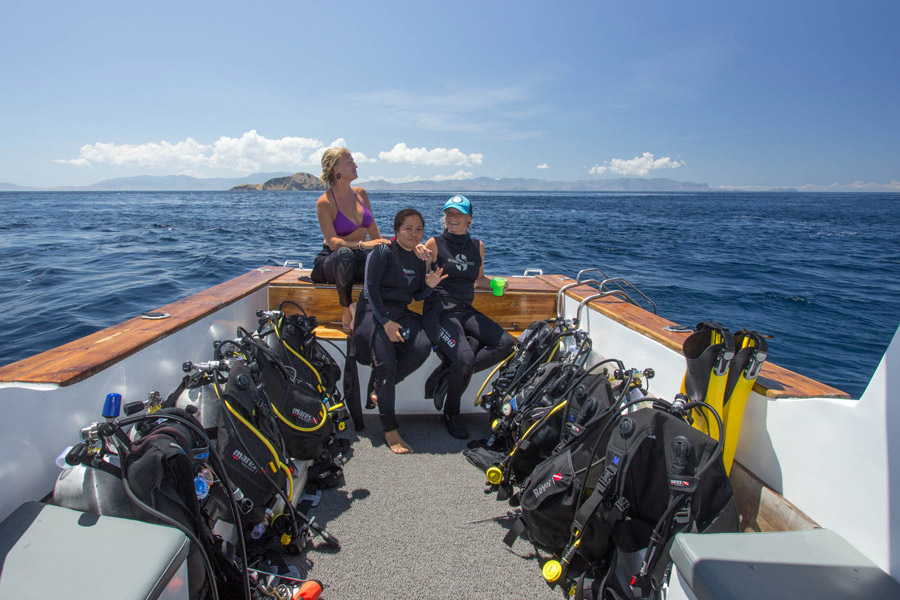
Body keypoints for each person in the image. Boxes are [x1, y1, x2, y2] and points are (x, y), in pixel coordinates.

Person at [351, 208, 446, 454]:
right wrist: (385, 322)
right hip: (373, 311)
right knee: (386, 363)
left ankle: (379, 387)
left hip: (399, 312)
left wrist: (429, 286)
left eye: (419, 230)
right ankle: (390, 430)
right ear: (397, 230)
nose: (414, 234)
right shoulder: (383, 251)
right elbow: (370, 289)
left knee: (423, 345)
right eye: (408, 229)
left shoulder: (419, 258)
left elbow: (415, 295)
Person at [423, 195, 515, 440]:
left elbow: (479, 279)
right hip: (440, 311)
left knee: (506, 343)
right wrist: (422, 268)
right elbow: (419, 279)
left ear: (469, 219)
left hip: (465, 309)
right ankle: (452, 412)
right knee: (464, 358)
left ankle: (448, 374)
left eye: (459, 213)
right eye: (449, 213)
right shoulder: (434, 243)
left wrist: (496, 284)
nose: (452, 218)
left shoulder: (477, 246)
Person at [311, 147, 390, 331]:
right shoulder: (324, 202)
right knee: (345, 254)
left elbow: (373, 230)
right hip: (333, 261)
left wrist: (381, 250)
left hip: (358, 258)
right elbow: (333, 242)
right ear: (336, 168)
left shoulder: (361, 193)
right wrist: (363, 245)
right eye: (350, 162)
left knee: (385, 256)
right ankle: (347, 307)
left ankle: (375, 309)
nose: (355, 165)